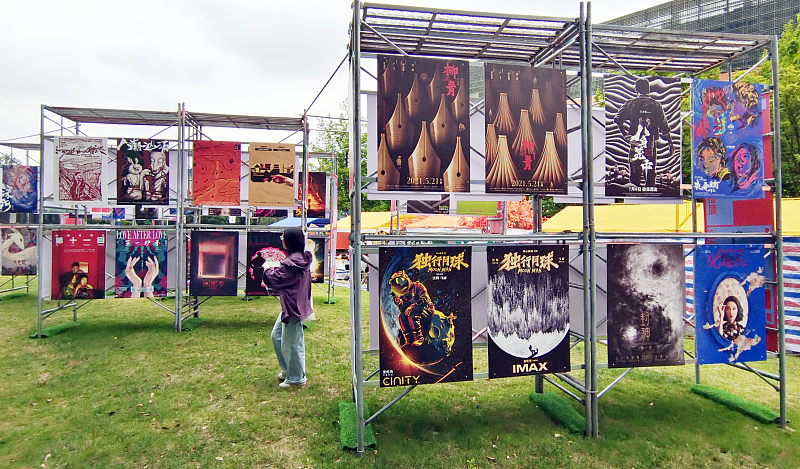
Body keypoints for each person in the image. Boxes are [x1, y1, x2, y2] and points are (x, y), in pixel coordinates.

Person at [263, 227, 313, 389]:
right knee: (277, 337)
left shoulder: (294, 262)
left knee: (292, 343)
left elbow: (277, 279)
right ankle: (288, 370)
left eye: (283, 237)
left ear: (289, 240)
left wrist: (267, 269)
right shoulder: (298, 259)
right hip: (292, 305)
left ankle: (296, 377)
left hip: (293, 307)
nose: (281, 239)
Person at [612, 78, 674, 187]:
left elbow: (617, 119)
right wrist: (670, 143)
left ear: (636, 89)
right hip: (651, 144)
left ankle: (634, 200)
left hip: (635, 144)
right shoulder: (656, 105)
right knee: (650, 176)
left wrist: (626, 135)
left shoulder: (631, 104)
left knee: (634, 178)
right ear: (648, 89)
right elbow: (664, 127)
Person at [388, 270, 435, 347]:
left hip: (426, 310)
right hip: (415, 312)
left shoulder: (418, 287)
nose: (400, 285)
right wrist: (399, 303)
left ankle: (419, 338)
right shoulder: (403, 296)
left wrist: (412, 307)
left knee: (412, 314)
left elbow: (424, 300)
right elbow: (404, 310)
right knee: (402, 317)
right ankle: (409, 340)